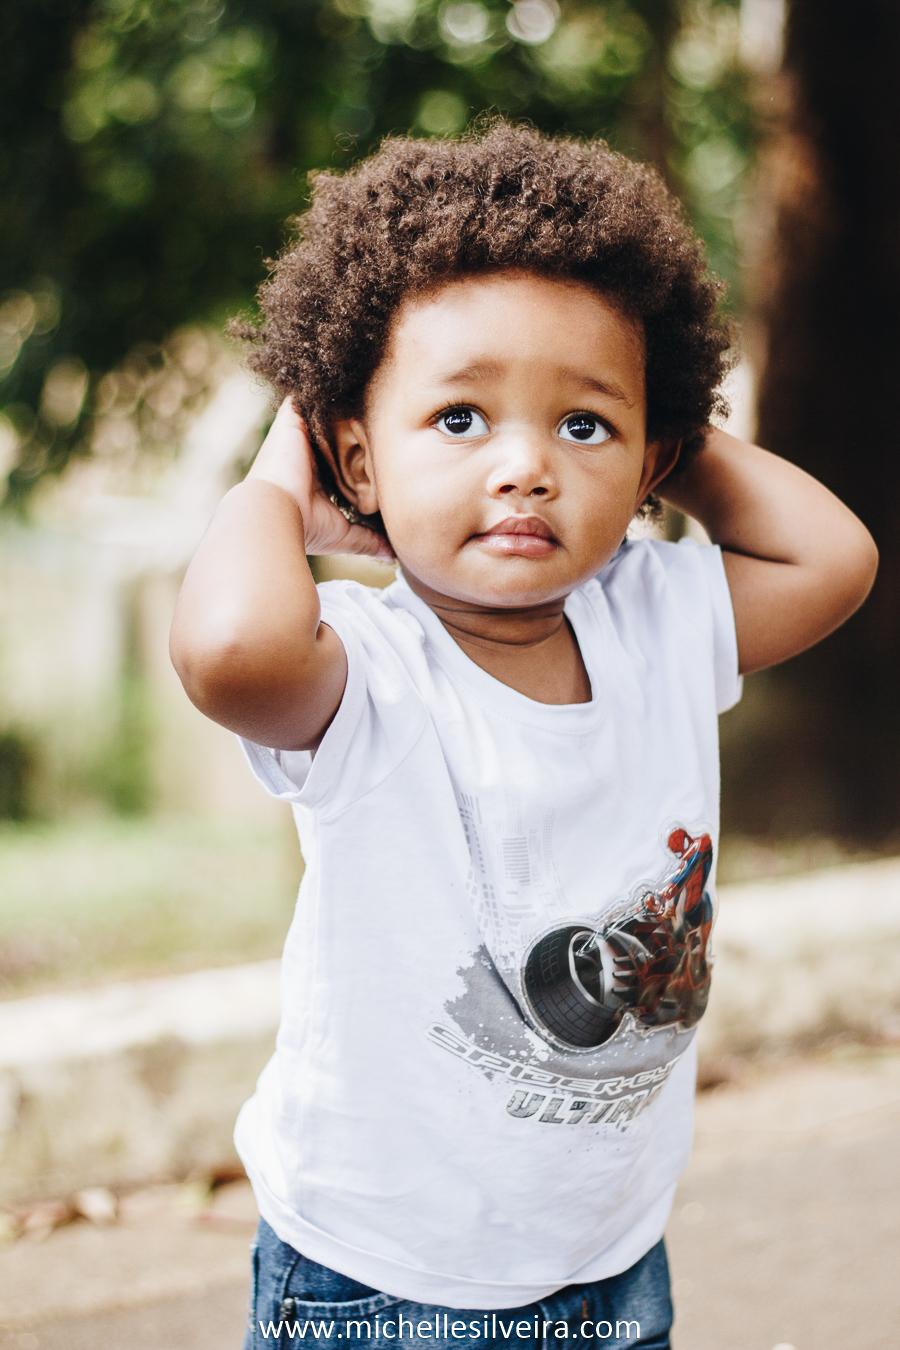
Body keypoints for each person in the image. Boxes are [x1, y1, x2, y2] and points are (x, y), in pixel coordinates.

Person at [169, 123, 877, 1349]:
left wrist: (668, 431)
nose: (526, 467)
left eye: (581, 428)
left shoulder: (655, 617)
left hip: (609, 1255)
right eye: (457, 419)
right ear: (358, 455)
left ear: (653, 458)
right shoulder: (368, 674)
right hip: (386, 1284)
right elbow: (228, 648)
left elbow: (837, 560)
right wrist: (285, 478)